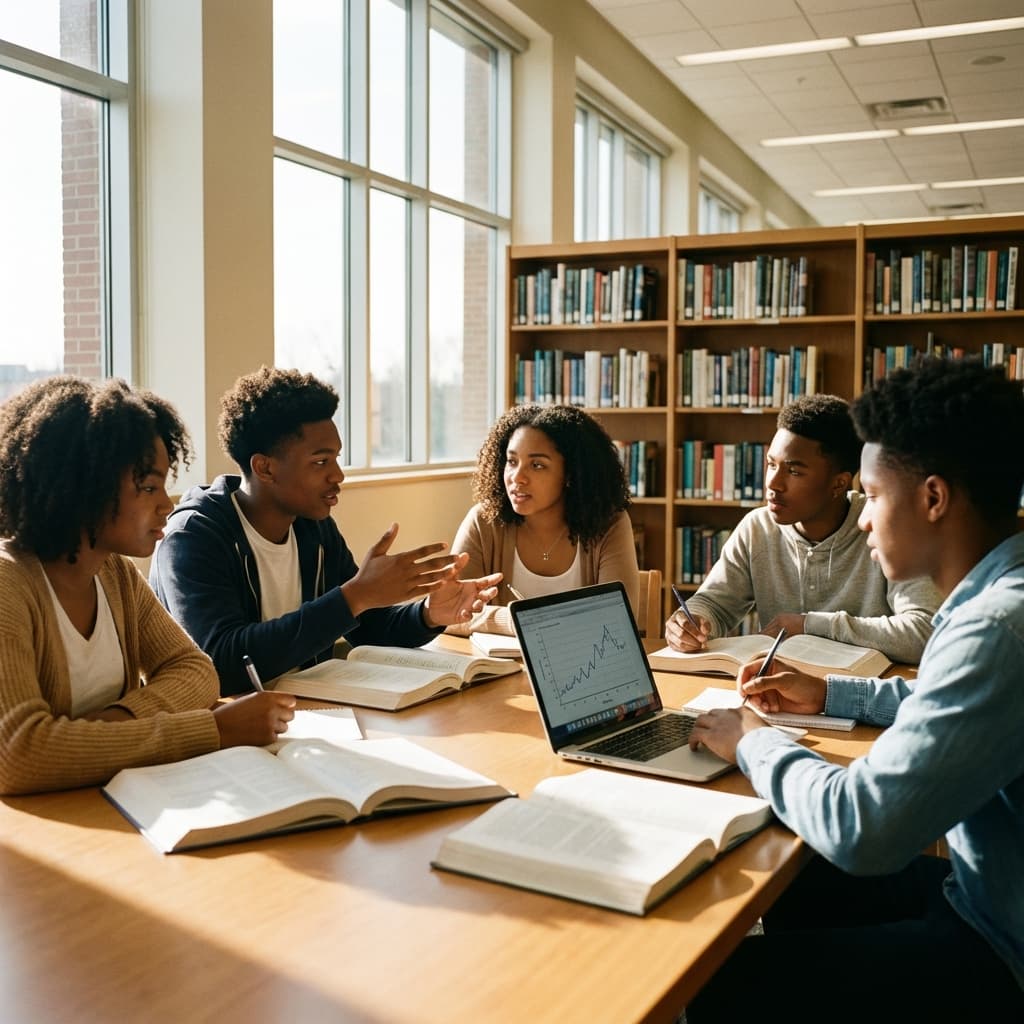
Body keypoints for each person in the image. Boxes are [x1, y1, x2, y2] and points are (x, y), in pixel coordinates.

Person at [685, 358, 1024, 1020]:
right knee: (796, 886)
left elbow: (860, 827)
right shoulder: (997, 593)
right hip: (983, 889)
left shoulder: (995, 626)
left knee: (716, 983)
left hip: (1000, 944)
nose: (863, 520)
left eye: (871, 496)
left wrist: (754, 743)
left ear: (932, 498)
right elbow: (954, 704)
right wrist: (831, 695)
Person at [0, 376, 295, 796]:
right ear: (85, 487)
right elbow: (18, 754)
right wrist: (209, 730)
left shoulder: (114, 573)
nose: (167, 504)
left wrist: (115, 721)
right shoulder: (8, 583)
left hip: (115, 801)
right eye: (148, 487)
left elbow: (196, 673)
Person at [149, 366, 500, 695]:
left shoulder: (313, 527)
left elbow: (369, 628)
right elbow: (222, 663)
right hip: (229, 734)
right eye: (320, 462)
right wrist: (355, 596)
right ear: (265, 468)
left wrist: (428, 613)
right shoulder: (193, 537)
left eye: (336, 458)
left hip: (310, 715)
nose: (338, 475)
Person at [665, 392, 940, 664]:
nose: (773, 484)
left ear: (839, 484)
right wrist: (689, 623)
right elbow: (713, 605)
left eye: (794, 471)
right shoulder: (757, 528)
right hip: (775, 695)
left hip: (860, 696)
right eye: (771, 465)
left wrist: (810, 625)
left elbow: (924, 631)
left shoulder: (882, 527)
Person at [446, 403, 639, 637]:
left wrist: (505, 618)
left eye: (537, 465)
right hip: (500, 670)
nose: (517, 477)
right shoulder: (484, 520)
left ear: (570, 474)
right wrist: (515, 620)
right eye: (512, 461)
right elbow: (449, 614)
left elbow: (617, 623)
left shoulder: (609, 524)